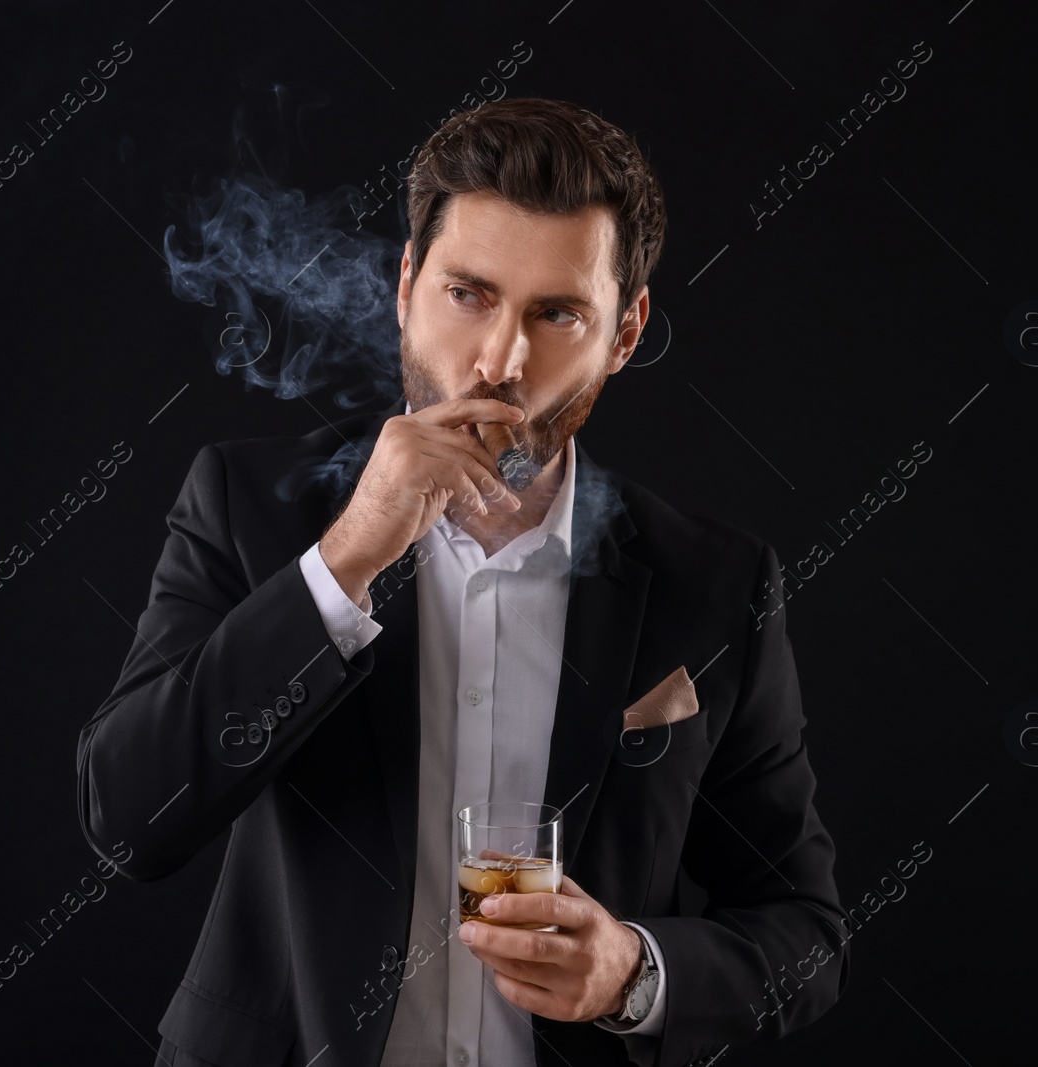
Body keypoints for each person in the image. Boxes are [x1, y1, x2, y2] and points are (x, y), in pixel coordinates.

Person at [76, 96, 849, 1067]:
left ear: (624, 330)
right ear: (406, 284)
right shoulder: (250, 504)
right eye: (468, 293)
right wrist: (345, 557)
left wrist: (632, 971)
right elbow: (129, 815)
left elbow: (803, 935)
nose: (500, 360)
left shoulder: (715, 583)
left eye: (557, 313)